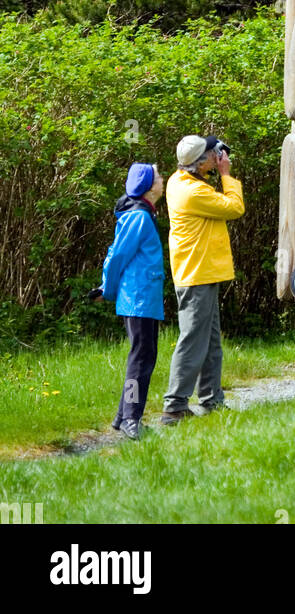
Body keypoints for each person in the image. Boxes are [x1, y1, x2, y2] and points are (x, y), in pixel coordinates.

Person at [160, 134, 244, 424]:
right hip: (196, 275)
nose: (217, 156)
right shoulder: (194, 192)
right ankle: (174, 406)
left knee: (210, 342)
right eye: (212, 153)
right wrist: (225, 174)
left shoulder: (179, 180)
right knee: (193, 340)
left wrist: (212, 169)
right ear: (200, 161)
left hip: (202, 272)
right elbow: (235, 208)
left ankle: (211, 399)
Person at [98, 162, 166, 441]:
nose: (163, 180)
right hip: (137, 299)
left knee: (144, 356)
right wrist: (107, 288)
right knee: (141, 358)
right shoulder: (138, 218)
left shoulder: (143, 215)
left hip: (144, 299)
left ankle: (122, 415)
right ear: (150, 186)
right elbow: (117, 256)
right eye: (159, 176)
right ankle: (130, 418)